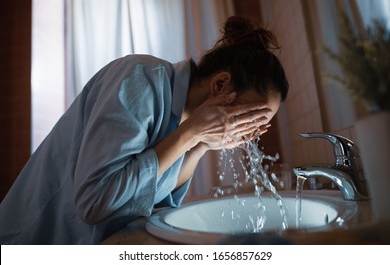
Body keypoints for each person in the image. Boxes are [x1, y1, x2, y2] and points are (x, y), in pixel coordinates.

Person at [0, 16, 288, 244]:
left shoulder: (181, 120)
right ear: (221, 85)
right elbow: (96, 202)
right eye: (250, 116)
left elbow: (158, 195)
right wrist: (190, 134)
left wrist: (202, 143)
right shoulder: (139, 80)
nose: (251, 131)